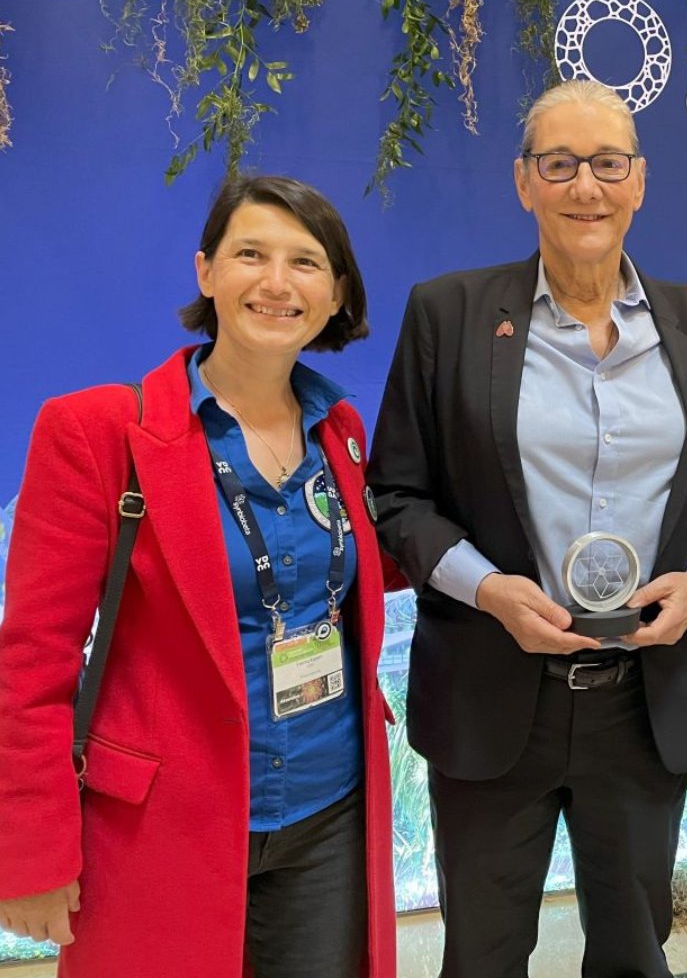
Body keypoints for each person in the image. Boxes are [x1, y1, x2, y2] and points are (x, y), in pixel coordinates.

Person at [367, 78, 687, 978]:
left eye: (607, 163)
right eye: (561, 163)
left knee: (633, 950)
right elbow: (397, 497)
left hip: (644, 696)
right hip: (489, 687)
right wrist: (488, 589)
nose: (586, 186)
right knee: (484, 954)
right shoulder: (450, 314)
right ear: (524, 182)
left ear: (640, 181)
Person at [0, 176, 396, 977]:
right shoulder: (97, 433)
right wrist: (31, 853)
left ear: (336, 294)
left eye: (306, 263)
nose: (277, 283)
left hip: (331, 812)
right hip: (160, 826)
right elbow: (31, 666)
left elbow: (355, 580)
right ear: (206, 271)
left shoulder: (341, 432)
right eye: (251, 254)